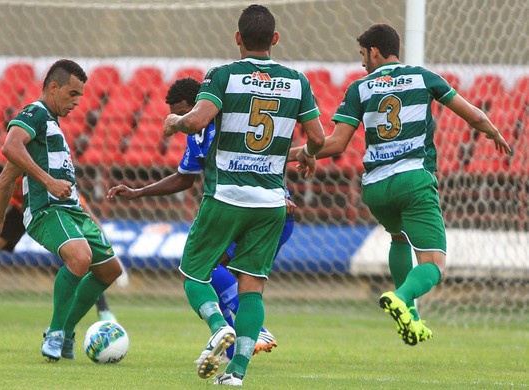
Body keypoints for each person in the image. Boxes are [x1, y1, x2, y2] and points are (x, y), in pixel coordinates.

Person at [294, 24, 512, 346]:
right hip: (413, 180)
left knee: (398, 236)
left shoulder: (359, 88)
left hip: (376, 188)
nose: (362, 63)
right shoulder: (423, 77)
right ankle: (402, 296)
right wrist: (493, 132)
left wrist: (301, 154)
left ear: (376, 52)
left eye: (363, 55)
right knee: (435, 264)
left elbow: (336, 145)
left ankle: (410, 317)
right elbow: (473, 116)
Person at [162, 5, 325, 386]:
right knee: (253, 287)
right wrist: (310, 157)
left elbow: (198, 120)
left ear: (237, 39)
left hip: (227, 195)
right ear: (275, 39)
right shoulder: (297, 81)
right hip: (271, 203)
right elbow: (316, 138)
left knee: (193, 272)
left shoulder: (222, 75)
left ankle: (218, 326)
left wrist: (175, 123)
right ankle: (236, 375)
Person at [107, 77, 294, 361]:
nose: (181, 119)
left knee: (200, 269)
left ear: (202, 104)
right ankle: (230, 345)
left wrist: (283, 191)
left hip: (265, 212)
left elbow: (267, 153)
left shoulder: (229, 122)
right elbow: (185, 178)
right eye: (177, 114)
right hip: (241, 212)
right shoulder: (196, 134)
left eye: (184, 111)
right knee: (206, 273)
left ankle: (250, 332)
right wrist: (138, 192)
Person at [0, 59, 124, 363]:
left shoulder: (51, 126)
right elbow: (10, 145)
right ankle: (55, 333)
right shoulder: (36, 113)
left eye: (80, 96)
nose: (77, 103)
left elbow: (4, 180)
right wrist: (47, 181)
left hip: (72, 210)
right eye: (72, 94)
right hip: (47, 209)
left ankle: (66, 332)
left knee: (109, 270)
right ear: (52, 87)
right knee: (80, 258)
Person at [0, 177, 119, 323]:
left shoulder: (56, 184)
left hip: (51, 213)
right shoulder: (11, 181)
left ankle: (103, 310)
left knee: (80, 257)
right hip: (21, 212)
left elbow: (88, 214)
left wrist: (106, 251)